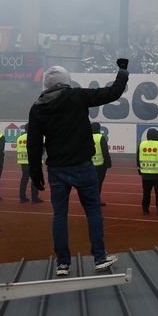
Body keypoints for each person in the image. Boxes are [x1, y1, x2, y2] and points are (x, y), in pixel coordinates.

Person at [27, 61, 129, 276]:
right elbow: (113, 92)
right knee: (93, 211)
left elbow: (34, 144)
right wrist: (122, 71)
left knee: (59, 216)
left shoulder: (37, 108)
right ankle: (100, 258)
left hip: (56, 168)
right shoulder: (77, 96)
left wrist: (35, 173)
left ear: (45, 84)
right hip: (83, 165)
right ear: (67, 81)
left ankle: (63, 264)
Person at [137, 128, 158, 215]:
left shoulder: (142, 145)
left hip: (145, 174)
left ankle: (145, 209)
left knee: (146, 192)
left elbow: (138, 159)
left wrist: (139, 170)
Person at [16, 124, 43, 203]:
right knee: (35, 180)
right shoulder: (35, 137)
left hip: (23, 161)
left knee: (24, 179)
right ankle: (34, 198)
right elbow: (41, 150)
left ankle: (22, 197)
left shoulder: (19, 138)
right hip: (34, 162)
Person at [91, 122, 112, 206]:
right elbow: (105, 152)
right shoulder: (101, 138)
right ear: (99, 129)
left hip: (89, 164)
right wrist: (108, 162)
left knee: (90, 183)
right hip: (100, 164)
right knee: (98, 183)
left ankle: (91, 200)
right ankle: (96, 201)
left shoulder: (87, 137)